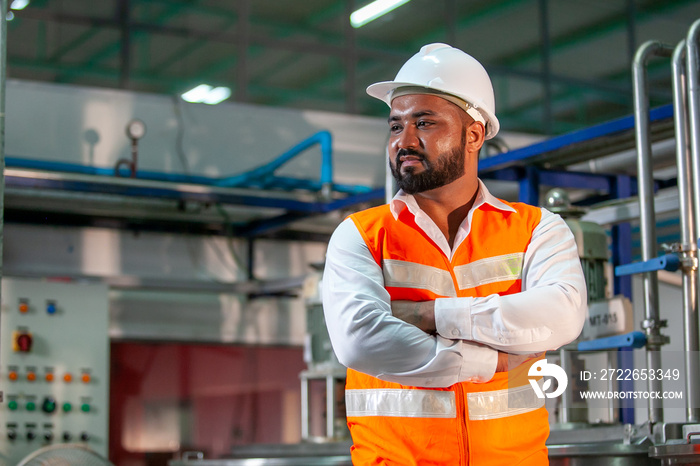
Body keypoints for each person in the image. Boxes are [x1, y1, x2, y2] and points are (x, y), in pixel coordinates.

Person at [322, 43, 587, 465]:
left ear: (474, 134)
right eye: (395, 126)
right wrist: (492, 359)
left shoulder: (536, 229)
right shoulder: (360, 235)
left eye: (424, 122)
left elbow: (562, 316)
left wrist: (430, 316)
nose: (404, 141)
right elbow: (360, 342)